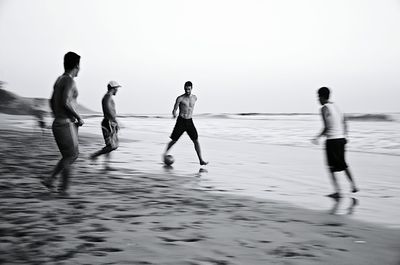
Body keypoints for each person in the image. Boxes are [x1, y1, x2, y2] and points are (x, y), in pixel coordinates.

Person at [41, 51, 83, 195]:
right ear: (76, 65)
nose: (80, 69)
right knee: (72, 156)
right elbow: (66, 102)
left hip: (58, 122)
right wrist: (78, 117)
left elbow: (51, 101)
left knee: (68, 156)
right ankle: (63, 190)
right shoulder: (70, 81)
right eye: (80, 65)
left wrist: (57, 115)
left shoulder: (59, 80)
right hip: (65, 123)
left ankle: (50, 180)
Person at [312, 87, 359, 199]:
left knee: (331, 167)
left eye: (318, 97)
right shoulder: (336, 107)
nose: (318, 99)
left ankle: (337, 191)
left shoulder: (324, 109)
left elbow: (326, 127)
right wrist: (345, 135)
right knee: (343, 164)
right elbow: (344, 122)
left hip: (332, 141)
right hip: (341, 139)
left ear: (322, 97)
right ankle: (353, 185)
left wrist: (317, 137)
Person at [163, 81, 208, 165]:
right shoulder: (180, 98)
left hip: (189, 121)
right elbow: (175, 109)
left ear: (191, 88)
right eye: (186, 89)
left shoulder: (195, 98)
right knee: (173, 140)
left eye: (189, 89)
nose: (187, 91)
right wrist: (174, 113)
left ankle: (201, 160)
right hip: (181, 121)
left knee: (196, 140)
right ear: (184, 88)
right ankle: (164, 154)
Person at [90, 81, 120, 161]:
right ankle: (95, 155)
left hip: (110, 123)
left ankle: (106, 164)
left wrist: (115, 123)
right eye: (117, 88)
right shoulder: (107, 97)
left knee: (111, 145)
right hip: (108, 123)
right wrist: (115, 121)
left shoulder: (108, 97)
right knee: (112, 146)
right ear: (113, 88)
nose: (117, 90)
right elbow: (108, 110)